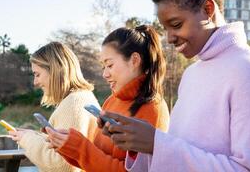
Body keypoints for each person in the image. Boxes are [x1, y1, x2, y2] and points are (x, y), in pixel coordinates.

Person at [101, 0, 250, 171]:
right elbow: (177, 152)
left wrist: (156, 143)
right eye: (165, 28)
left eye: (176, 25)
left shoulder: (248, 68)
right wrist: (138, 144)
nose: (169, 38)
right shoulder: (191, 74)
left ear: (208, 9)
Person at [46, 25, 170, 172]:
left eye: (109, 65)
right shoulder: (111, 101)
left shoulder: (152, 108)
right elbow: (95, 161)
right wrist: (67, 145)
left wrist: (80, 147)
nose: (105, 74)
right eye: (103, 67)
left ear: (134, 60)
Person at [9, 42, 100, 172]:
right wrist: (35, 136)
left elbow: (63, 166)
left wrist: (27, 140)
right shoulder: (82, 97)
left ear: (55, 70)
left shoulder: (73, 104)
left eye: (37, 74)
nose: (35, 82)